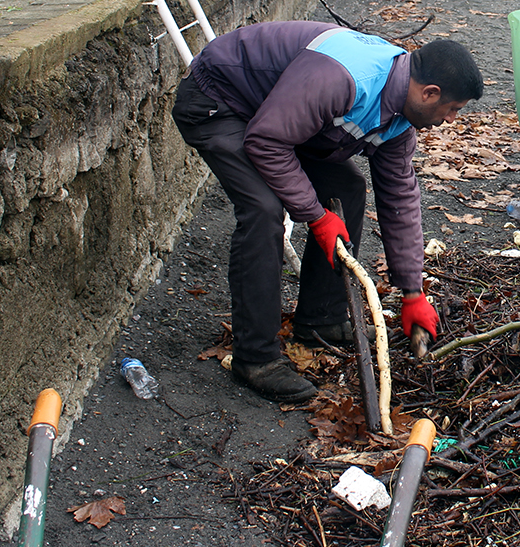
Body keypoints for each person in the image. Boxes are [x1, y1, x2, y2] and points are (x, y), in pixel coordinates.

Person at [172, 22, 484, 403]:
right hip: (220, 100)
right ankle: (256, 359)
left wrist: (411, 291)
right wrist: (315, 216)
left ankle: (322, 318)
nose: (451, 119)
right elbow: (267, 141)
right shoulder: (345, 78)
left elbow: (400, 199)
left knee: (346, 189)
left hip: (283, 118)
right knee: (263, 209)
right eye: (452, 109)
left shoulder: (401, 119)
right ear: (429, 92)